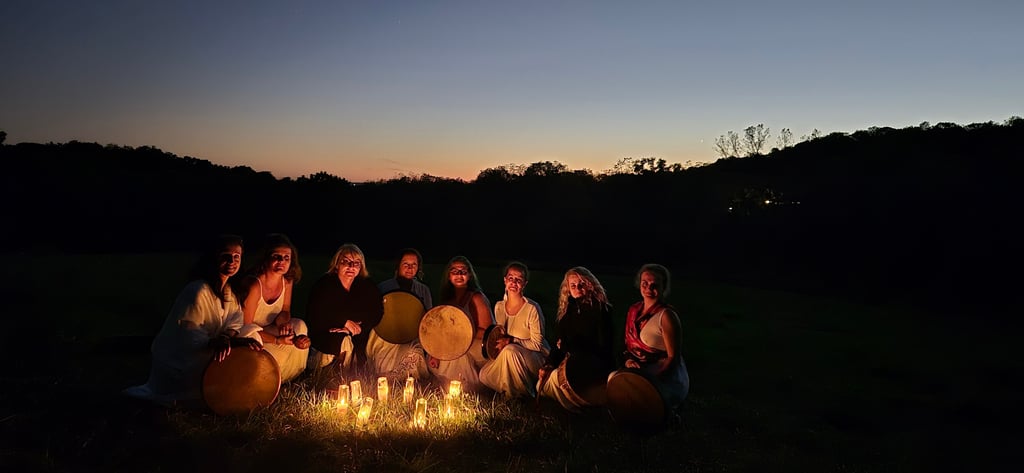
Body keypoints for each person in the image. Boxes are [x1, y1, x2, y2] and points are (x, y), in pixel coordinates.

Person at [123, 234, 261, 407]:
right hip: (184, 358)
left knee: (253, 336)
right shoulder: (198, 290)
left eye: (236, 257)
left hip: (215, 346)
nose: (232, 261)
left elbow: (235, 321)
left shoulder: (230, 292)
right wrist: (220, 343)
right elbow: (188, 334)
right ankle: (211, 391)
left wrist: (230, 339)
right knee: (227, 358)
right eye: (226, 256)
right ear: (214, 258)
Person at [537, 266, 615, 412]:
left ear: (590, 285)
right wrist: (549, 364)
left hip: (593, 365)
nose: (577, 288)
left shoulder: (601, 310)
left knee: (556, 379)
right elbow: (557, 345)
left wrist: (570, 346)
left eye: (581, 284)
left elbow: (604, 348)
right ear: (567, 288)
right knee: (542, 382)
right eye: (573, 285)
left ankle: (578, 407)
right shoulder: (566, 312)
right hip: (569, 362)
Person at [615, 263, 689, 413]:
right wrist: (629, 361)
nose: (649, 288)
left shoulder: (666, 316)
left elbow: (672, 358)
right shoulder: (634, 310)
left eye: (655, 285)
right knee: (612, 381)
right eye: (645, 283)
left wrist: (649, 379)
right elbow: (627, 347)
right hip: (639, 371)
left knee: (637, 402)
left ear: (663, 288)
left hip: (664, 377)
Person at [237, 233, 310, 383]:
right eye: (277, 256)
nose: (281, 261)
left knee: (300, 326)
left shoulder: (286, 281)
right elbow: (245, 327)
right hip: (251, 336)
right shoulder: (254, 285)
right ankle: (268, 381)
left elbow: (285, 309)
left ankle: (291, 376)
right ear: (266, 258)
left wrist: (284, 324)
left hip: (270, 328)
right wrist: (277, 340)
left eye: (286, 258)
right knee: (284, 346)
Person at [306, 243, 383, 377]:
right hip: (326, 332)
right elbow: (317, 312)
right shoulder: (324, 284)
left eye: (356, 263)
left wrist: (355, 328)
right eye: (346, 261)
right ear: (337, 264)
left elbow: (376, 312)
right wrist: (344, 322)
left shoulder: (366, 286)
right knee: (340, 341)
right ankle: (331, 376)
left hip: (358, 334)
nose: (351, 267)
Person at [478, 261, 549, 397]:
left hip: (534, 358)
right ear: (505, 280)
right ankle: (510, 386)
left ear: (524, 283)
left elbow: (537, 345)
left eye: (518, 280)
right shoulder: (499, 307)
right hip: (509, 354)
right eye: (511, 278)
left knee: (510, 351)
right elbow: (499, 335)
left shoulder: (532, 308)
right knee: (484, 375)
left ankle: (518, 394)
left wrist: (512, 341)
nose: (513, 282)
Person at [427, 256, 494, 392]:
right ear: (449, 276)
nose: (459, 275)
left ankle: (467, 386)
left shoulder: (476, 297)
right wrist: (436, 352)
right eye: (454, 271)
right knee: (435, 351)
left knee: (457, 352)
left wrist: (463, 335)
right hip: (452, 341)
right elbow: (441, 330)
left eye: (463, 271)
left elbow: (488, 331)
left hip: (477, 344)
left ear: (469, 275)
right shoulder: (447, 299)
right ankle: (445, 382)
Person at [368, 248, 432, 381]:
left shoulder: (423, 290)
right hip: (385, 336)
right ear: (398, 266)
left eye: (413, 264)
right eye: (406, 264)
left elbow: (428, 318)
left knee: (412, 353)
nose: (409, 268)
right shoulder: (384, 288)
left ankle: (407, 379)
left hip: (412, 335)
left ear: (418, 267)